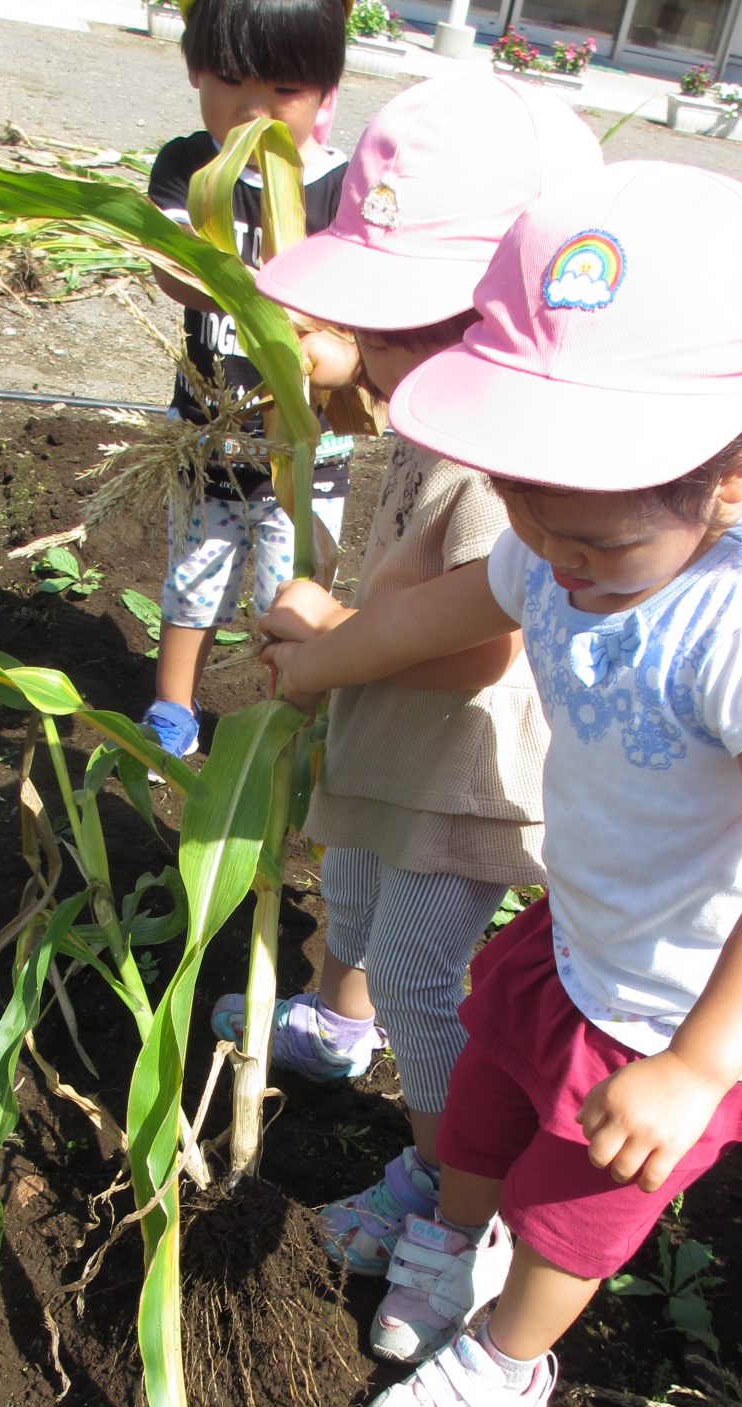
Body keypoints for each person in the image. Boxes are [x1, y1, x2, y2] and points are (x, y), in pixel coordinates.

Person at [258, 162, 742, 1407]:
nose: (553, 555)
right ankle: (447, 1233)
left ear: (734, 475)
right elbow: (446, 612)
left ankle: (506, 1366)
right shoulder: (562, 533)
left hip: (689, 1006)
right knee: (482, 1110)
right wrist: (323, 659)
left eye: (593, 542)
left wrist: (696, 1065)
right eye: (530, 510)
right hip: (581, 937)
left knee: (568, 1217)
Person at [209, 71, 602, 1302]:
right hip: (398, 747)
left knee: (425, 980)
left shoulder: (500, 464)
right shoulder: (437, 413)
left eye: (388, 327)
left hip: (462, 773)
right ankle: (343, 1027)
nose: (366, 354)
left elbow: (481, 645)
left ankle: (442, 1184)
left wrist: (333, 630)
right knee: (360, 905)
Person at [142, 0, 353, 763]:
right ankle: (172, 711)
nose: (254, 110)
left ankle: (283, 727)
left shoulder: (344, 188)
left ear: (326, 93)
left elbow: (356, 323)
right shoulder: (188, 166)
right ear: (194, 70)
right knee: (194, 577)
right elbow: (172, 270)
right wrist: (256, 292)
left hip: (308, 450)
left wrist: (330, 347)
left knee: (288, 594)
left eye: (285, 91)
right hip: (207, 439)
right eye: (231, 81)